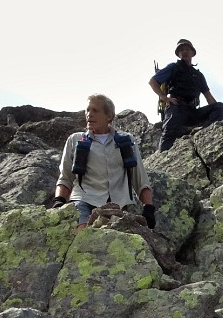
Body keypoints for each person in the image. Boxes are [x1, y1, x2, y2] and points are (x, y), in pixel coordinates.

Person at [52, 93, 155, 229]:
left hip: (118, 205)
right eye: (87, 110)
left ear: (109, 116)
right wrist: (59, 201)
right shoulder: (75, 140)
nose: (89, 114)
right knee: (82, 235)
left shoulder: (126, 141)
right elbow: (65, 177)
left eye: (95, 110)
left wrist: (148, 208)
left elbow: (140, 179)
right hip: (83, 201)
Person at [149, 38, 223, 153]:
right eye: (181, 50)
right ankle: (162, 157)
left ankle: (200, 131)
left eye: (187, 49)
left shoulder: (198, 75)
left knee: (219, 106)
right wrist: (164, 97)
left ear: (192, 53)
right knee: (169, 131)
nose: (184, 51)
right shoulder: (173, 67)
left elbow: (209, 98)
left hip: (192, 111)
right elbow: (153, 81)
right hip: (176, 107)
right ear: (179, 54)